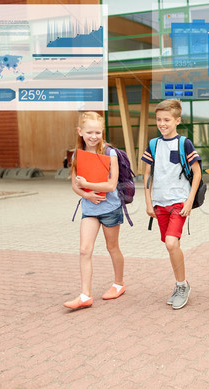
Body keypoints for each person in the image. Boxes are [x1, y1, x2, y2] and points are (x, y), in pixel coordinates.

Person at [142, 99, 202, 310]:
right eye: (159, 119)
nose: (162, 123)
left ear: (177, 120)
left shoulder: (184, 143)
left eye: (166, 119)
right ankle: (181, 283)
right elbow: (147, 174)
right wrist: (149, 202)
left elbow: (197, 172)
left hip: (178, 201)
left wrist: (189, 200)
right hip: (159, 204)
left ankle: (181, 286)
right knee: (169, 246)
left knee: (171, 243)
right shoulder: (153, 144)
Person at [64, 112, 125, 309]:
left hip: (110, 208)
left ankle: (119, 283)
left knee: (112, 247)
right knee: (84, 250)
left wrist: (88, 184)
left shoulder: (110, 153)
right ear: (80, 132)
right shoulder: (77, 155)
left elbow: (111, 185)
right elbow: (75, 185)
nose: (93, 136)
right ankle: (85, 295)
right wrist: (88, 195)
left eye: (98, 132)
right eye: (89, 132)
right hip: (90, 208)